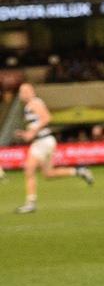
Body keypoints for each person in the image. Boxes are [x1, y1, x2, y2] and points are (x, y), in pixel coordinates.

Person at [13, 83, 94, 214]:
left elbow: (46, 118)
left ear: (31, 91)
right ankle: (79, 171)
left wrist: (32, 133)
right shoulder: (31, 105)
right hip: (45, 141)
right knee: (48, 174)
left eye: (25, 91)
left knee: (29, 169)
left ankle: (30, 203)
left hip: (43, 142)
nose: (22, 94)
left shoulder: (34, 103)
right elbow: (38, 124)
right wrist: (27, 134)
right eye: (21, 91)